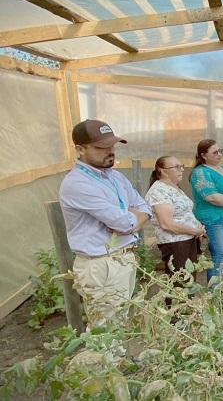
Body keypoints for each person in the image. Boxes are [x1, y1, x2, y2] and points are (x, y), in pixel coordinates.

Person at [59, 119, 152, 326]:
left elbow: (144, 207)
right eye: (101, 147)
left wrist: (133, 215)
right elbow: (124, 223)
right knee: (107, 333)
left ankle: (118, 360)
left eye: (111, 145)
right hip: (101, 264)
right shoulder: (77, 183)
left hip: (123, 258)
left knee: (120, 325)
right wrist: (132, 217)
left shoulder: (115, 176)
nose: (110, 150)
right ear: (80, 149)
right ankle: (108, 360)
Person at [145, 156, 205, 296]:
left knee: (189, 281)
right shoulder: (159, 191)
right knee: (179, 282)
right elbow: (166, 223)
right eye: (177, 167)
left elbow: (184, 214)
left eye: (182, 166)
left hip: (188, 239)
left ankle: (187, 313)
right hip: (175, 242)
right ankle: (176, 316)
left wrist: (197, 227)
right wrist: (194, 230)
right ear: (163, 171)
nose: (182, 169)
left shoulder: (174, 188)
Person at [190, 139, 223, 287]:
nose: (219, 154)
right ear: (203, 155)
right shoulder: (200, 172)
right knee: (221, 254)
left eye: (220, 151)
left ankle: (220, 290)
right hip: (213, 219)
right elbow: (211, 197)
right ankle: (215, 293)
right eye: (215, 152)